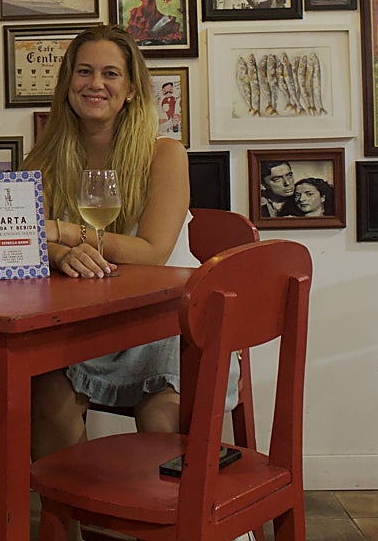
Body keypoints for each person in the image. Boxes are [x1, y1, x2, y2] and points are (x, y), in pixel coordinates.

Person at [24, 25, 238, 483]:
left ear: (131, 89)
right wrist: (58, 254)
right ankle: (68, 526)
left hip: (169, 320)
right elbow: (23, 243)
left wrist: (62, 233)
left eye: (110, 74)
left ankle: (173, 526)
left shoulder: (164, 152)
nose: (95, 84)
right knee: (41, 390)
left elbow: (153, 252)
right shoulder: (41, 160)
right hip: (83, 324)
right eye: (84, 71)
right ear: (67, 84)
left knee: (163, 415)